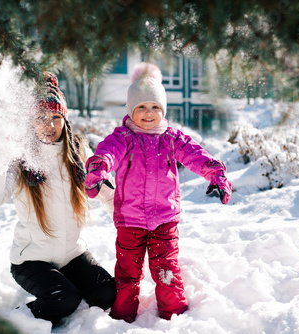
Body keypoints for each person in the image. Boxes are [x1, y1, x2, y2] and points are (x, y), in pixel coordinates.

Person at [84, 63, 232, 323]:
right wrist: (99, 168)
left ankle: (174, 318)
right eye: (141, 107)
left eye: (155, 107)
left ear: (163, 110)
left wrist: (215, 173)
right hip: (130, 220)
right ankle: (122, 318)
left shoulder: (171, 138)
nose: (148, 113)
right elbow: (107, 152)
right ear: (131, 110)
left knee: (167, 271)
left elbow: (196, 155)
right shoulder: (124, 137)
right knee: (127, 274)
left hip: (165, 218)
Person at [0, 72, 116, 326]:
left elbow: (106, 191)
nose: (50, 125)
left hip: (72, 254)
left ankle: (62, 280)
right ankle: (14, 320)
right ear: (30, 121)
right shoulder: (20, 156)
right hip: (31, 260)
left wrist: (127, 223)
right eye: (41, 118)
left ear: (64, 118)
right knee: (63, 299)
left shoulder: (76, 152)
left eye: (56, 117)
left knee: (106, 292)